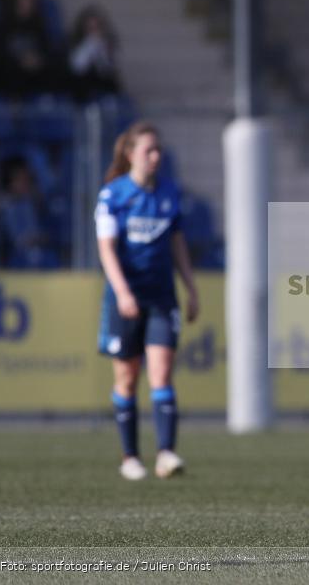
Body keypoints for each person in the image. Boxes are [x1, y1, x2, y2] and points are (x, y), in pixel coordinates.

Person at [94, 121, 199, 481]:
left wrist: (191, 288)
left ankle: (166, 453)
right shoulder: (113, 195)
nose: (155, 157)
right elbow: (106, 250)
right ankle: (130, 457)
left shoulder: (169, 192)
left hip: (161, 297)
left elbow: (177, 243)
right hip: (125, 297)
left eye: (158, 150)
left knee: (162, 373)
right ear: (130, 154)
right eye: (148, 150)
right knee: (126, 377)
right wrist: (123, 292)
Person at [0, 0, 62, 98]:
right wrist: (20, 61)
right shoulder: (5, 24)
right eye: (23, 1)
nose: (26, 5)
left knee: (54, 65)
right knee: (7, 68)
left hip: (34, 66)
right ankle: (13, 101)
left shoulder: (39, 25)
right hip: (11, 67)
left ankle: (47, 99)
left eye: (29, 2)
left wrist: (37, 59)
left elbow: (46, 48)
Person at [68, 4, 121, 103]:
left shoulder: (106, 42)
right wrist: (89, 45)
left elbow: (107, 70)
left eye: (96, 27)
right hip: (81, 88)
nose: (93, 31)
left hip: (103, 86)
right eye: (90, 28)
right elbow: (77, 67)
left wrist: (101, 49)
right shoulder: (75, 41)